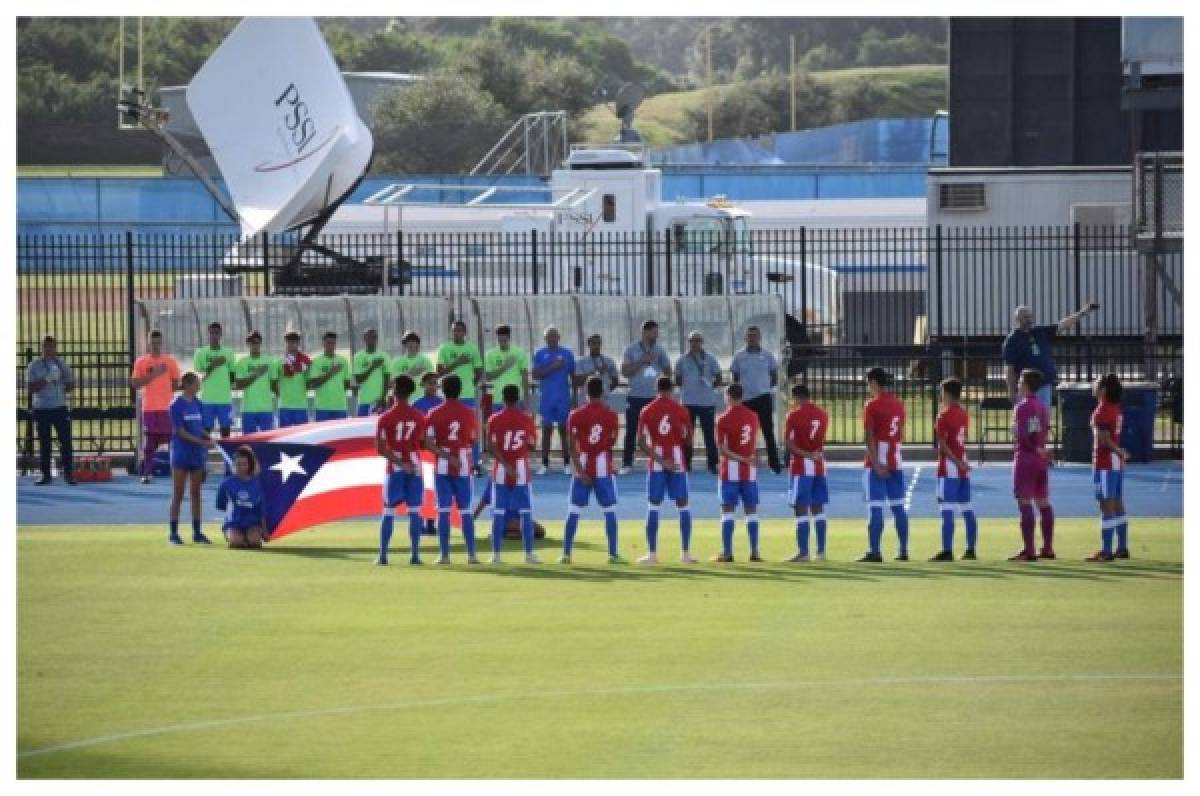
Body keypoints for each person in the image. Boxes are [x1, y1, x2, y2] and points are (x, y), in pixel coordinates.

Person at [562, 375, 622, 564]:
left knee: (573, 511)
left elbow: (571, 447)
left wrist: (580, 471)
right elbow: (611, 442)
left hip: (583, 463)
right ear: (603, 392)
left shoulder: (575, 415)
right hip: (603, 465)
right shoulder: (611, 415)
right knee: (610, 510)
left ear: (585, 392)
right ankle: (612, 554)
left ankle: (566, 554)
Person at [636, 376, 695, 565]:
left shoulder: (646, 410)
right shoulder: (681, 410)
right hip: (676, 458)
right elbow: (688, 439)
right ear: (672, 389)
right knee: (683, 505)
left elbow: (641, 442)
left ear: (656, 388)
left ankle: (652, 554)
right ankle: (685, 553)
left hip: (657, 459)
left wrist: (661, 460)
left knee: (653, 505)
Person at [423, 374, 480, 565]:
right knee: (465, 511)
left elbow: (428, 443)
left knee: (444, 511)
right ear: (460, 389)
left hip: (443, 465)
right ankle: (472, 554)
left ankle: (445, 555)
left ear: (442, 389)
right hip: (463, 463)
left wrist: (447, 456)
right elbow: (473, 439)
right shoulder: (470, 413)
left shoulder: (433, 413)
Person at [375, 375, 429, 566]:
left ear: (394, 391)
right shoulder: (419, 417)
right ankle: (414, 555)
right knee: (414, 511)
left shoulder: (385, 418)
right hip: (415, 464)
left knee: (389, 510)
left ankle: (383, 555)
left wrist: (399, 461)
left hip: (395, 466)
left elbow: (380, 448)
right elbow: (424, 443)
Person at [1003, 303, 1098, 407]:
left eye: (1030, 316)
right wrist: (1011, 391)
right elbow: (1009, 368)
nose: (1029, 319)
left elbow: (1063, 324)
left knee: (1043, 417)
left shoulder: (1040, 332)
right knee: (1026, 419)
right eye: (1025, 317)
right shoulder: (1012, 340)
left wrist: (1083, 312)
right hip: (1026, 387)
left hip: (1044, 384)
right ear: (1017, 319)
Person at [859, 367, 909, 563]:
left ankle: (875, 551)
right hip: (896, 460)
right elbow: (901, 433)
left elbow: (869, 436)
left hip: (878, 461)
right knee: (898, 507)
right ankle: (903, 550)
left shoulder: (872, 405)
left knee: (876, 507)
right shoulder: (899, 404)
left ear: (873, 382)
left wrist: (875, 462)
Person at [486, 384, 540, 564]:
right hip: (521, 470)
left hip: (501, 470)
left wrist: (506, 465)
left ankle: (496, 555)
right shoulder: (527, 419)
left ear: (503, 398)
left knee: (499, 512)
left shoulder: (494, 419)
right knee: (526, 512)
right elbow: (532, 445)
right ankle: (529, 554)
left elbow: (491, 447)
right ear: (518, 399)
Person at [930, 378, 979, 562]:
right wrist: (962, 462)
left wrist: (956, 462)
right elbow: (962, 438)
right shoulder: (964, 414)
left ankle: (947, 549)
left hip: (950, 468)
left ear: (948, 394)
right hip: (963, 466)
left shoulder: (943, 416)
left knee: (946, 509)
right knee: (967, 508)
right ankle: (971, 548)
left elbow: (942, 446)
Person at [712, 384, 761, 563]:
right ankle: (754, 551)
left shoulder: (723, 419)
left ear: (728, 396)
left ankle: (727, 552)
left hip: (731, 470)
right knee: (751, 511)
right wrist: (748, 459)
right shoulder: (753, 416)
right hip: (749, 470)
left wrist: (740, 458)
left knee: (727, 511)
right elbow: (753, 441)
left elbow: (722, 450)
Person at [1010, 369, 1055, 562]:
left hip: (1027, 457)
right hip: (1040, 458)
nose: (1018, 385)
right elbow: (1040, 430)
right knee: (1043, 501)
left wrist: (1031, 446)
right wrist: (1041, 449)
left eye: (1020, 381)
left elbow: (1023, 434)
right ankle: (1047, 547)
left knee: (1025, 502)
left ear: (1026, 384)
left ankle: (1029, 550)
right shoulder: (1042, 407)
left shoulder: (1021, 407)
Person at [166, 372, 214, 546]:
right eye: (196, 383)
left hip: (197, 454)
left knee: (196, 493)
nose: (198, 386)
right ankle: (173, 533)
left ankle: (197, 532)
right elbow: (181, 432)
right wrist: (202, 441)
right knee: (178, 493)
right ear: (187, 385)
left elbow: (199, 428)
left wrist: (209, 438)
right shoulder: (175, 405)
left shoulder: (199, 404)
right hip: (181, 453)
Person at [1087, 373, 1130, 562]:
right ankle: (1121, 547)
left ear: (1103, 390)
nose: (1093, 385)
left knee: (1107, 505)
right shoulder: (1115, 409)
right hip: (1115, 464)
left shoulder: (1102, 410)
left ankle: (1106, 551)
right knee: (1118, 503)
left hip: (1105, 462)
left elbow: (1104, 439)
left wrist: (1118, 450)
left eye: (1097, 383)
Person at [620, 320, 673, 474]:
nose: (656, 335)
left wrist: (662, 379)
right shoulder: (631, 349)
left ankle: (662, 460)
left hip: (654, 397)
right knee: (631, 430)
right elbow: (625, 371)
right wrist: (642, 361)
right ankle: (627, 462)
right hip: (635, 396)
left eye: (657, 332)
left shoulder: (660, 350)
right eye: (654, 332)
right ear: (645, 332)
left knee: (659, 430)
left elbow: (668, 370)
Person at [784, 383, 829, 562]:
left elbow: (789, 443)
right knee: (818, 507)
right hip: (819, 464)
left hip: (802, 466)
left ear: (796, 397)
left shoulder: (793, 415)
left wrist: (806, 454)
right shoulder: (823, 414)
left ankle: (803, 552)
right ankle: (821, 551)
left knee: (800, 507)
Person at [130, 329, 181, 484]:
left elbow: (175, 383)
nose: (156, 346)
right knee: (150, 443)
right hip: (150, 408)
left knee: (172, 440)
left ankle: (175, 472)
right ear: (148, 343)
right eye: (153, 343)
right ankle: (147, 473)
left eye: (158, 343)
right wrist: (154, 375)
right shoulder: (141, 362)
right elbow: (135, 384)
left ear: (162, 343)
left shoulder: (170, 361)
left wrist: (166, 391)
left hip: (167, 408)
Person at [25, 335, 76, 485]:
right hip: (42, 409)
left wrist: (66, 381)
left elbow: (71, 386)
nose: (49, 350)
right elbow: (30, 389)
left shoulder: (61, 364)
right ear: (41, 348)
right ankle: (45, 475)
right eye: (46, 347)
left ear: (56, 347)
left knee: (66, 443)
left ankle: (68, 474)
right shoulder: (34, 365)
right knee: (44, 443)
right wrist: (47, 379)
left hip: (60, 408)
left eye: (51, 347)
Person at [730, 326, 782, 473]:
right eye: (749, 336)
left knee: (768, 431)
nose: (752, 338)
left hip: (763, 398)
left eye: (755, 336)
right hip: (746, 400)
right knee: (745, 432)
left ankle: (774, 464)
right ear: (745, 338)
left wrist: (765, 388)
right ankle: (744, 460)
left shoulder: (767, 355)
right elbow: (735, 377)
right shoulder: (739, 356)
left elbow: (773, 375)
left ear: (760, 337)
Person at [436, 320, 484, 474]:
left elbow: (478, 372)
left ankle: (475, 463)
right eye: (454, 330)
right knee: (447, 430)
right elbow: (440, 373)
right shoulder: (445, 349)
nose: (457, 333)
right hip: (449, 396)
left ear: (465, 332)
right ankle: (448, 459)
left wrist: (469, 384)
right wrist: (456, 362)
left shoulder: (472, 349)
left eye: (459, 331)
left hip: (467, 395)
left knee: (470, 430)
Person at [532, 325, 576, 475]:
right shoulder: (539, 354)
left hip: (563, 398)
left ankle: (566, 462)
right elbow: (536, 374)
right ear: (545, 338)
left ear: (559, 337)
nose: (551, 338)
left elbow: (573, 375)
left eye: (554, 336)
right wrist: (553, 366)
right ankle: (544, 463)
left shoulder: (567, 354)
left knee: (565, 430)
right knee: (546, 430)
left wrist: (574, 396)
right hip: (547, 398)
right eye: (548, 336)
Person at [676, 331, 722, 474]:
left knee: (709, 434)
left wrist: (710, 385)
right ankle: (686, 463)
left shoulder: (710, 359)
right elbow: (677, 379)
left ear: (702, 342)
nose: (694, 344)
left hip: (707, 402)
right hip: (688, 402)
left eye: (697, 341)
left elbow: (718, 376)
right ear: (688, 342)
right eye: (692, 341)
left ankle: (712, 464)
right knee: (687, 434)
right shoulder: (682, 360)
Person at [215, 446, 266, 549]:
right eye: (238, 464)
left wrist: (265, 530)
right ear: (233, 465)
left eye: (244, 464)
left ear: (249, 465)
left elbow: (260, 509)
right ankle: (234, 536)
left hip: (252, 523)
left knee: (255, 543)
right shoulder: (226, 484)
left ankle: (249, 538)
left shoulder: (256, 483)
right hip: (233, 523)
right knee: (236, 543)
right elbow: (221, 505)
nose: (241, 467)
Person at [193, 322, 235, 440]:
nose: (214, 336)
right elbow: (199, 377)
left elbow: (232, 375)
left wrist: (231, 385)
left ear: (221, 334)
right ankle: (203, 457)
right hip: (207, 399)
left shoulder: (228, 352)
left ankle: (226, 458)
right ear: (208, 334)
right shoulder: (200, 353)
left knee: (225, 431)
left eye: (217, 333)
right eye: (212, 333)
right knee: (206, 431)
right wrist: (212, 365)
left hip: (224, 399)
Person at [233, 331, 278, 434]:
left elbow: (274, 385)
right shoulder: (242, 363)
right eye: (252, 342)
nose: (255, 345)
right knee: (249, 442)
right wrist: (256, 374)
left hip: (266, 409)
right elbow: (239, 385)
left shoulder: (270, 361)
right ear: (248, 344)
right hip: (248, 409)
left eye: (257, 342)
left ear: (260, 343)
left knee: (267, 442)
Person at [483, 323, 530, 412]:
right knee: (499, 425)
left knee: (517, 425)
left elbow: (525, 376)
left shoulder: (519, 352)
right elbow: (488, 377)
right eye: (499, 340)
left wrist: (526, 397)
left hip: (516, 399)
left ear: (509, 337)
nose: (502, 343)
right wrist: (505, 367)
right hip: (498, 399)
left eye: (504, 341)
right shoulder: (490, 354)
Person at [307, 331, 351, 421]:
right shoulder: (316, 361)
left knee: (340, 435)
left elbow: (347, 384)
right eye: (328, 343)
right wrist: (331, 373)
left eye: (333, 343)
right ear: (323, 343)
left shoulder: (343, 361)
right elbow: (313, 384)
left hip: (340, 407)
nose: (331, 346)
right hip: (322, 408)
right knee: (322, 434)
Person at [277, 331, 312, 428]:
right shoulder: (280, 361)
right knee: (284, 437)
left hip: (301, 405)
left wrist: (304, 367)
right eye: (288, 342)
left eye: (294, 342)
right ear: (285, 343)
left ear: (298, 343)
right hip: (285, 406)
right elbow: (280, 377)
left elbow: (310, 381)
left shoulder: (306, 359)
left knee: (302, 438)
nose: (291, 344)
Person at [353, 328, 390, 416]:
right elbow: (357, 379)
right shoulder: (358, 357)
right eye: (369, 337)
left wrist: (383, 397)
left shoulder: (384, 356)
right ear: (364, 338)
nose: (372, 339)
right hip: (364, 401)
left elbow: (387, 379)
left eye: (374, 337)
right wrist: (372, 367)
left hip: (379, 401)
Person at [574, 334, 619, 403]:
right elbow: (578, 382)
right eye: (594, 343)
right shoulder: (580, 362)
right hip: (585, 401)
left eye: (599, 343)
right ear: (589, 344)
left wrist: (605, 390)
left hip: (604, 401)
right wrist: (595, 372)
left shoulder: (609, 361)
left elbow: (615, 381)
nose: (597, 346)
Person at [389, 331, 434, 396]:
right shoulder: (397, 362)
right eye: (408, 342)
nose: (411, 344)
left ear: (418, 344)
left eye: (414, 341)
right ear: (404, 345)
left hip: (422, 398)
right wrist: (410, 373)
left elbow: (432, 380)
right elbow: (392, 382)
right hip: (404, 399)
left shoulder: (425, 361)